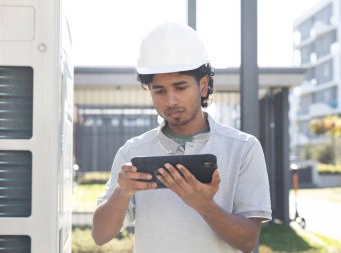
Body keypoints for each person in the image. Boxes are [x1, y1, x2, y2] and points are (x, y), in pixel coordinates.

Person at [92, 22, 272, 253]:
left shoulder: (243, 148)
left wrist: (204, 206)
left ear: (204, 85)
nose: (170, 101)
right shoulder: (133, 151)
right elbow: (100, 235)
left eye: (180, 87)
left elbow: (248, 241)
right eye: (160, 91)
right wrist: (122, 191)